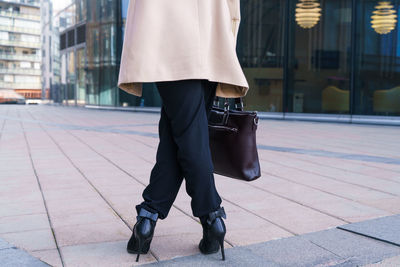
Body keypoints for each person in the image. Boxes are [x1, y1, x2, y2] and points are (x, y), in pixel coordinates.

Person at [117, 0, 249, 262]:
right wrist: (227, 36)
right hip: (212, 41)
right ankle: (209, 220)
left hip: (167, 40)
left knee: (182, 135)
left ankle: (159, 217)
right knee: (185, 134)